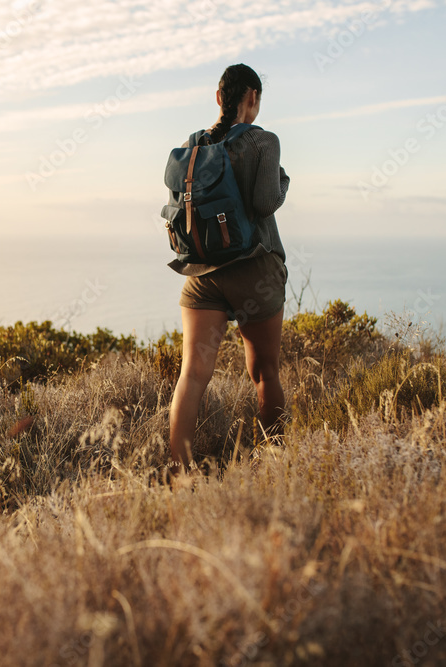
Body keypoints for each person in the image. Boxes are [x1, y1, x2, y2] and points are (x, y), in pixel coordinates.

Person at [166, 63, 291, 480]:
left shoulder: (191, 145)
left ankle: (178, 473)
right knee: (264, 371)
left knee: (192, 375)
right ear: (251, 98)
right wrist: (284, 182)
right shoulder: (263, 141)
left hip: (202, 274)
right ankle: (272, 461)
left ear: (219, 97)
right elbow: (264, 203)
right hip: (253, 269)